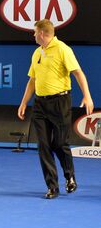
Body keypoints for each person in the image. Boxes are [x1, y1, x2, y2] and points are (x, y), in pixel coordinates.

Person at [18, 19, 94, 199]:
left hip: (60, 102)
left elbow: (78, 73)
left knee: (59, 143)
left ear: (43, 33)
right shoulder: (37, 52)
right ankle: (52, 186)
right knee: (43, 145)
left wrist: (87, 96)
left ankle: (70, 177)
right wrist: (23, 103)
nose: (33, 35)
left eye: (35, 32)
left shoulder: (63, 49)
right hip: (40, 105)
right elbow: (32, 81)